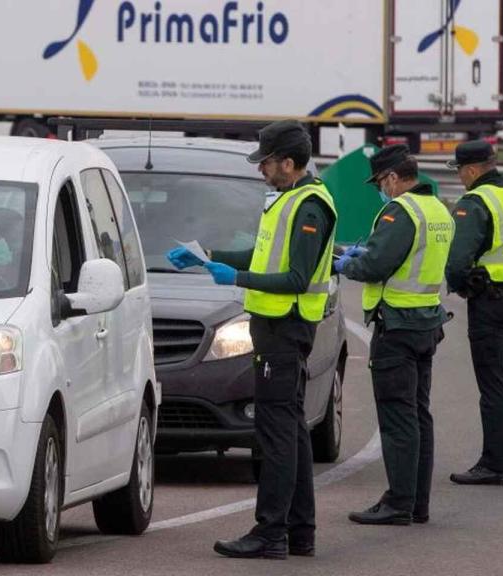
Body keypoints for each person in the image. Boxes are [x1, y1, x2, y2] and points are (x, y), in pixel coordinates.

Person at [168, 120, 337, 559]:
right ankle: (299, 533)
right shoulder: (288, 200)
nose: (260, 170)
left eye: (265, 162)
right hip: (277, 330)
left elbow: (297, 277)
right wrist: (209, 258)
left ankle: (270, 533)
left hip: (285, 330)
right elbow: (265, 255)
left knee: (276, 435)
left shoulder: (309, 207)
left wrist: (236, 278)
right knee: (291, 433)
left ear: (288, 162)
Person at [335, 145, 452, 525]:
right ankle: (417, 502)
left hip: (397, 326)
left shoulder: (399, 211)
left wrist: (347, 264)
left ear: (391, 178)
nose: (380, 191)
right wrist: (364, 254)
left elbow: (376, 265)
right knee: (418, 414)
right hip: (425, 322)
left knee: (398, 417)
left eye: (380, 184)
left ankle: (398, 502)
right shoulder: (438, 210)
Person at [444, 140, 503, 486]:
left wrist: (462, 286)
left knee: (493, 384)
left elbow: (458, 261)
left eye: (460, 171)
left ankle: (493, 464)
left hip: (492, 298)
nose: (460, 178)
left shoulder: (475, 203)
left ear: (473, 170)